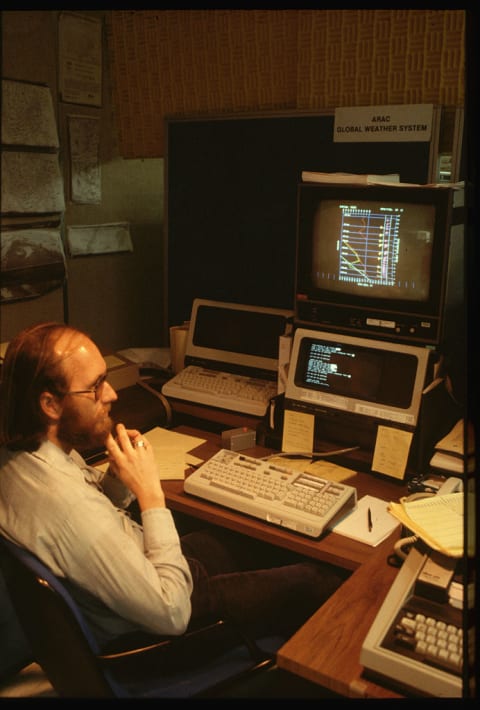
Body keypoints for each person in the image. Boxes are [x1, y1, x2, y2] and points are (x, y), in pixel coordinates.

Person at [0, 322, 346, 649]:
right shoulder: (70, 509)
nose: (111, 395)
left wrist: (120, 479)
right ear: (50, 404)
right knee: (318, 580)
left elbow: (93, 515)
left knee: (248, 543)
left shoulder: (26, 456)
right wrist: (151, 494)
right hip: (162, 615)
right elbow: (172, 613)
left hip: (142, 569)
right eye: (95, 386)